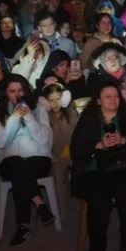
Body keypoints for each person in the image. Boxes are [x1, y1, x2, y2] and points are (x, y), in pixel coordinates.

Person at [70, 81, 126, 251]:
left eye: (116, 96)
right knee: (98, 201)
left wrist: (124, 140)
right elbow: (76, 149)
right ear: (98, 101)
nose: (113, 100)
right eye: (108, 96)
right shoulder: (89, 119)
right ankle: (97, 250)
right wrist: (98, 144)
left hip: (125, 167)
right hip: (95, 169)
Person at [0, 74, 55, 246]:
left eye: (20, 90)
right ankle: (40, 204)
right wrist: (13, 118)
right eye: (12, 91)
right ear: (6, 93)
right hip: (11, 160)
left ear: (26, 91)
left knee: (22, 172)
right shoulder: (0, 112)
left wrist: (29, 117)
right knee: (18, 165)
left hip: (38, 158)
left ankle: (24, 226)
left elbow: (44, 140)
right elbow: (2, 143)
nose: (17, 95)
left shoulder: (39, 106)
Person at [42, 82, 78, 216]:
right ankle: (62, 212)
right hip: (57, 155)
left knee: (82, 174)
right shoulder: (45, 116)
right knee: (58, 179)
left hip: (74, 152)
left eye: (58, 99)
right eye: (51, 100)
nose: (55, 103)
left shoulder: (71, 112)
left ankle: (80, 202)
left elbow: (77, 131)